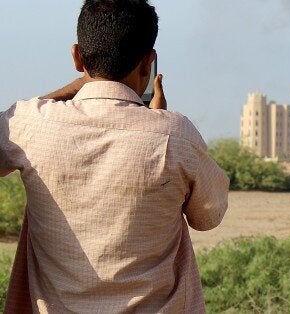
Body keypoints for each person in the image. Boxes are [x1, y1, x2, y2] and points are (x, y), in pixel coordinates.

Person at [0, 0, 229, 312]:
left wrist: (76, 87)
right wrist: (157, 125)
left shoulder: (28, 124)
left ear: (77, 56)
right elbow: (208, 217)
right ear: (148, 64)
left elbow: (13, 126)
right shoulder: (175, 135)